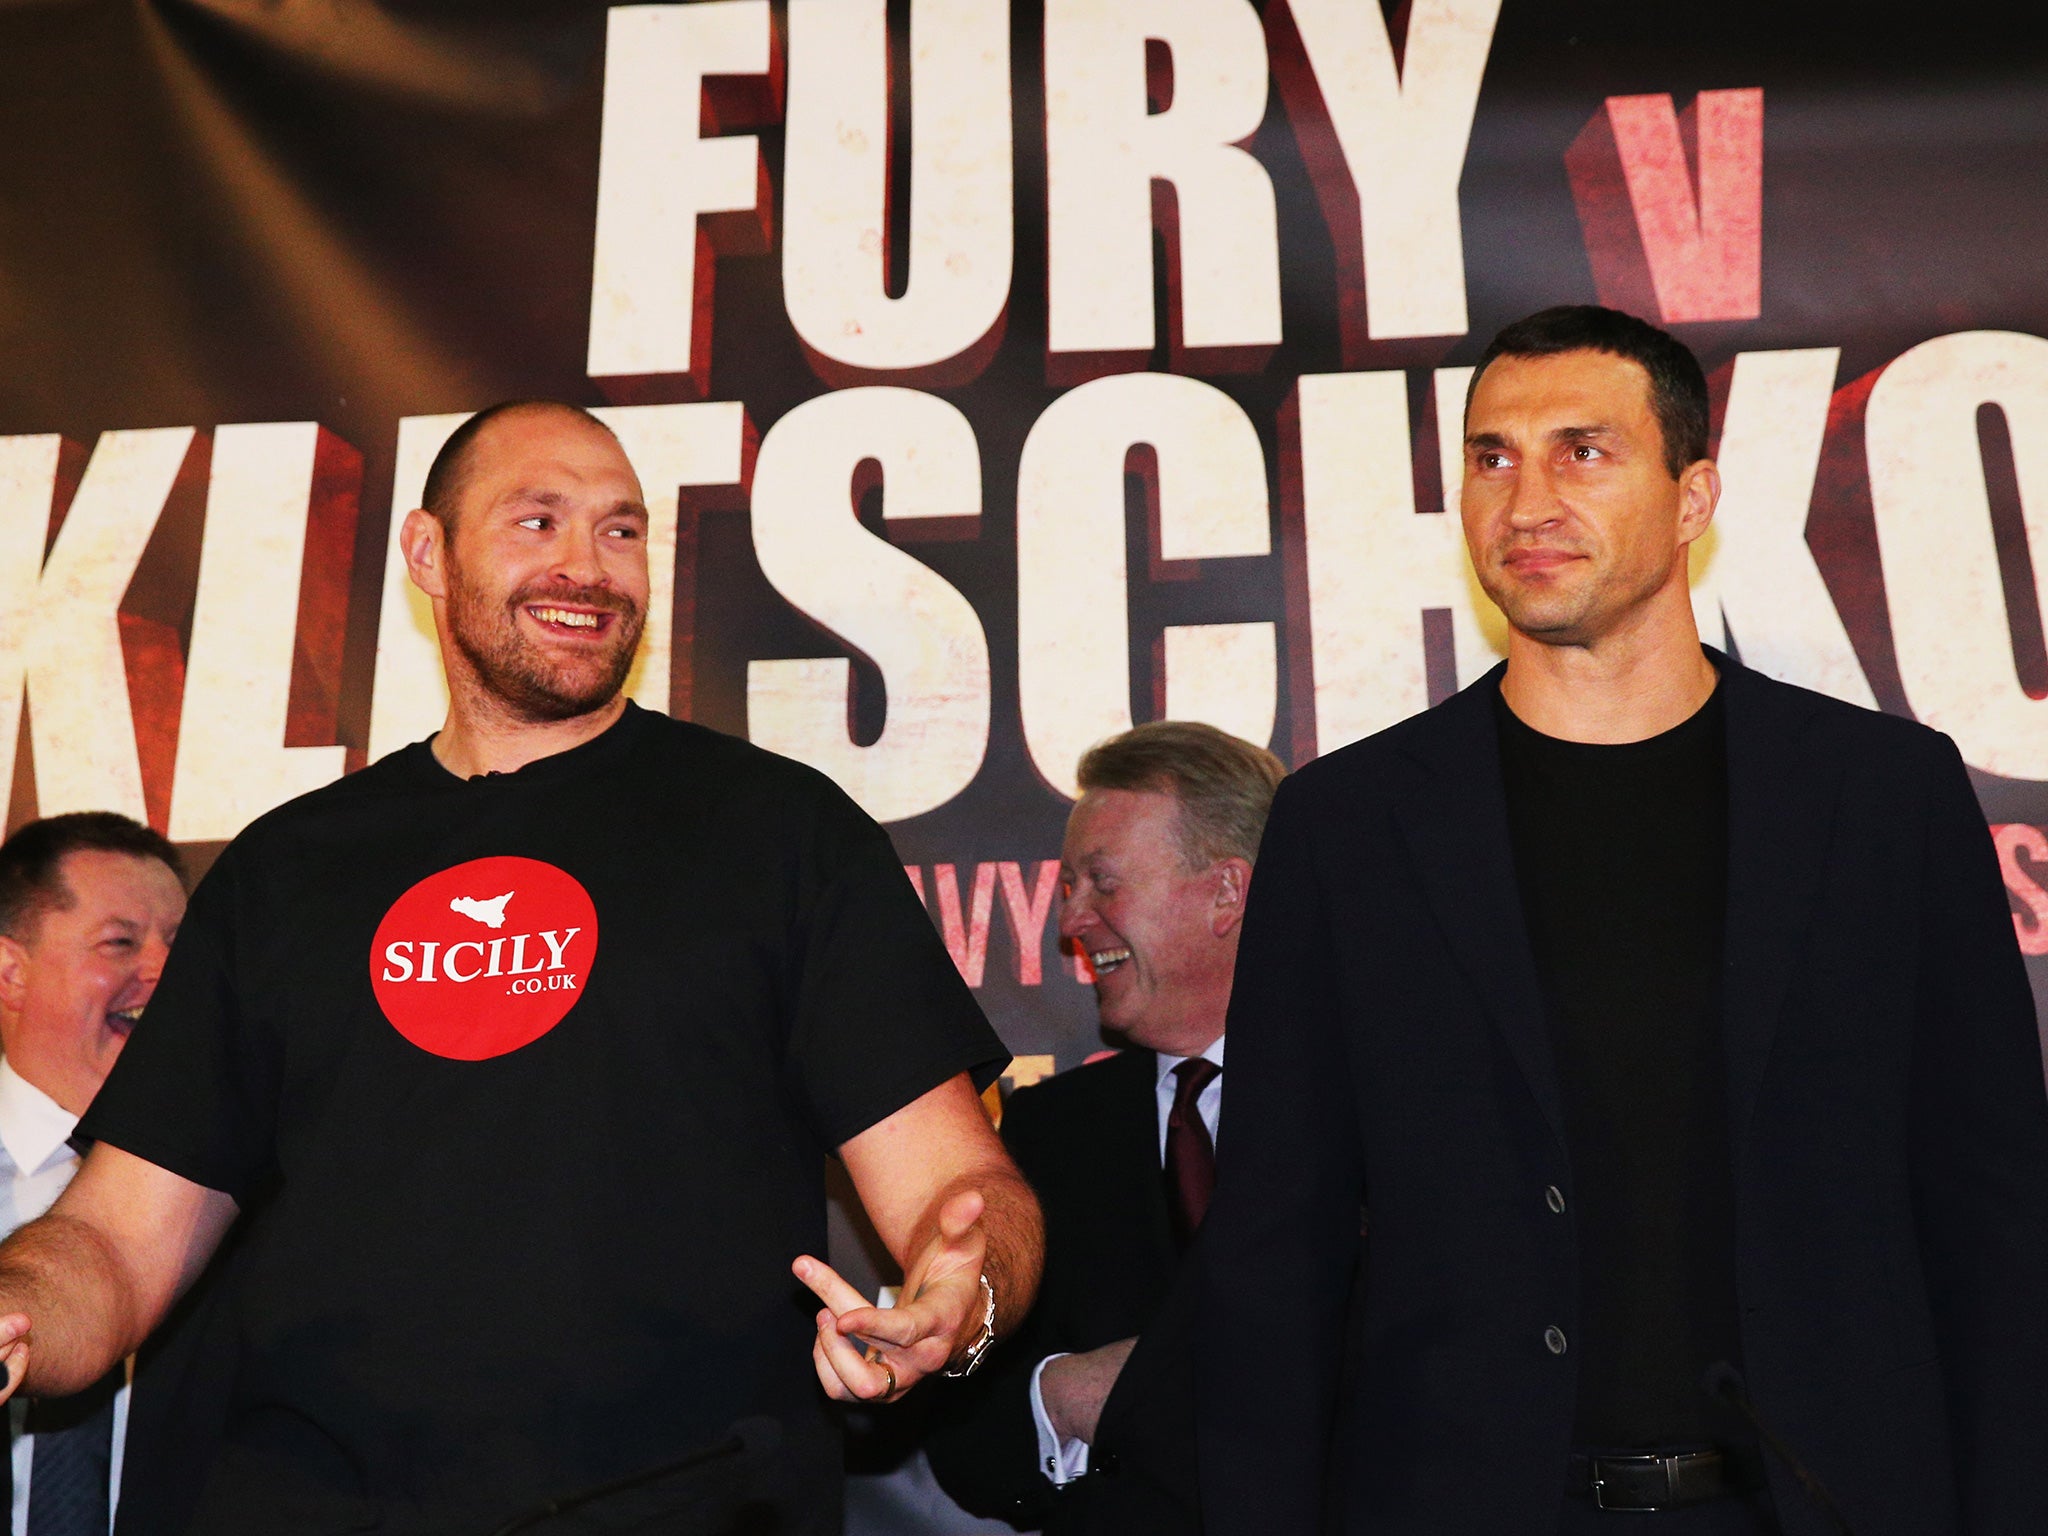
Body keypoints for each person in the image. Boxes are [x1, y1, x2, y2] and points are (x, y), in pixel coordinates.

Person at [0, 400, 1044, 1536]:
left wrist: (961, 1305)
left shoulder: (778, 835)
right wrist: (18, 1307)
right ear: (425, 554)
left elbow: (963, 1191)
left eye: (620, 531)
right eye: (536, 521)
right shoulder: (285, 870)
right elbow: (111, 1242)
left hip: (689, 1511)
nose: (586, 568)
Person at [1198, 306, 2048, 1535]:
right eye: (1491, 457)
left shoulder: (1879, 798)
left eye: (1581, 451)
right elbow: (1272, 1258)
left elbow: (1992, 1223)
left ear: (1691, 495)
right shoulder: (1350, 827)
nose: (1525, 501)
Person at [927, 722, 1284, 1535]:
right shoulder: (1042, 1138)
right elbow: (964, 1435)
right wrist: (1064, 1397)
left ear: (1228, 892)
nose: (1071, 922)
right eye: (1069, 887)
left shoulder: (1383, 1105)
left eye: (1103, 882)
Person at [0, 812, 185, 1536]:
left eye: (180, 943)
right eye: (122, 943)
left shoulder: (246, 1198)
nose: (166, 972)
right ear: (10, 971)